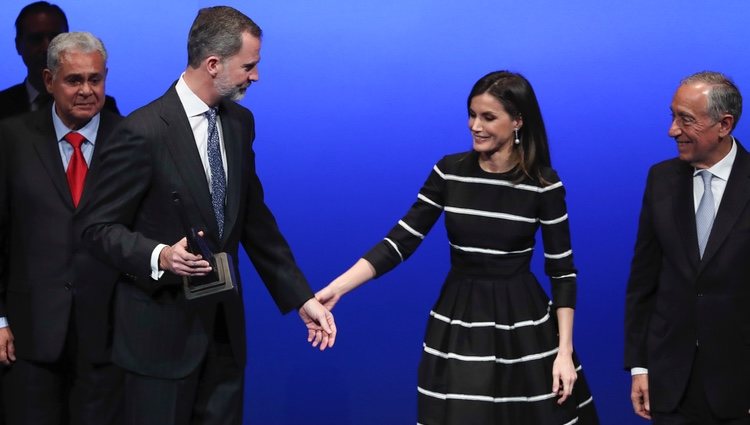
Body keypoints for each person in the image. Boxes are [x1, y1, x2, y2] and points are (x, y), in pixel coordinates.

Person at [80, 6, 336, 425]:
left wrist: (300, 297)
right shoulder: (143, 131)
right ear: (213, 64)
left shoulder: (240, 123)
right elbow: (96, 228)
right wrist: (159, 255)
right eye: (249, 66)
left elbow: (254, 220)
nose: (256, 77)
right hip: (158, 337)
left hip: (222, 333)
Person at [316, 70, 598, 424]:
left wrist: (564, 352)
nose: (475, 126)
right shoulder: (449, 171)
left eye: (488, 117)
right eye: (472, 114)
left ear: (517, 122)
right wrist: (336, 289)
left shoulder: (543, 184)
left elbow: (563, 272)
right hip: (460, 320)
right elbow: (400, 241)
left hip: (524, 326)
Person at [0, 32, 122, 425]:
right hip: (28, 335)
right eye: (74, 80)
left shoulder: (131, 139)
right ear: (50, 80)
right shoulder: (11, 138)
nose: (87, 90)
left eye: (95, 79)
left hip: (110, 336)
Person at [625, 71, 750, 424]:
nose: (673, 130)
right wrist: (639, 365)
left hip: (738, 388)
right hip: (670, 382)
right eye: (673, 115)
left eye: (686, 120)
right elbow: (643, 281)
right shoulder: (660, 179)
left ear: (724, 124)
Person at [0, 1, 119, 120]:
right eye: (36, 39)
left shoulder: (104, 108)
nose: (47, 48)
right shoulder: (3, 106)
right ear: (18, 45)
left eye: (55, 39)